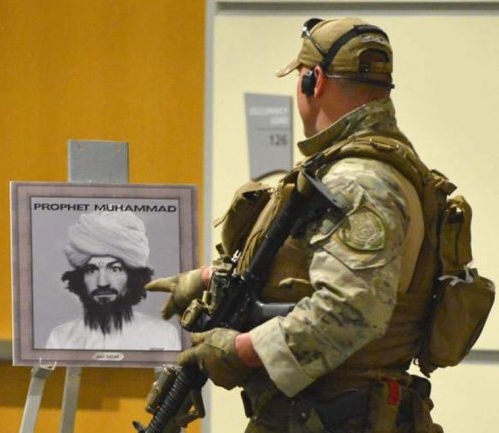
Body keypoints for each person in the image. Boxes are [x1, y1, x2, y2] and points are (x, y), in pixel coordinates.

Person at [148, 17, 453, 432]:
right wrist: (206, 278)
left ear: (315, 80)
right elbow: (305, 268)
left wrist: (239, 350)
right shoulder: (349, 169)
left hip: (337, 416)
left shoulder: (358, 181)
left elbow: (351, 310)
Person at [45, 211, 182, 351]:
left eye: (115, 269)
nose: (102, 282)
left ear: (132, 277)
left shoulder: (162, 335)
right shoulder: (61, 338)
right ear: (80, 279)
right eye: (91, 270)